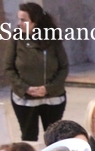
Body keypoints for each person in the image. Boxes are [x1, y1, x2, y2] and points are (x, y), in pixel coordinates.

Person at [3, 3, 68, 142]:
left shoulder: (53, 39)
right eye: (18, 19)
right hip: (25, 99)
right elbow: (8, 67)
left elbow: (64, 67)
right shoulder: (16, 38)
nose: (19, 23)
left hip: (53, 98)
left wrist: (48, 88)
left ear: (35, 21)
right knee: (28, 137)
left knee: (53, 137)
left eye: (23, 20)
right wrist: (26, 88)